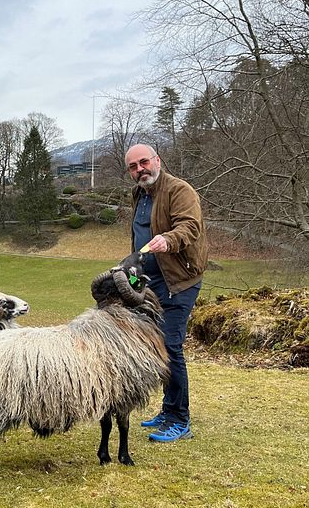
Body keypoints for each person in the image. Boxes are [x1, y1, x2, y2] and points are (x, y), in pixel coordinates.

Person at [125, 143, 208, 442]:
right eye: (133, 167)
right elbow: (138, 235)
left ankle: (179, 420)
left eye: (143, 162)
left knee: (171, 348)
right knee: (157, 347)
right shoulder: (140, 193)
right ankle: (167, 408)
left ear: (157, 160)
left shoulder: (179, 190)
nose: (140, 170)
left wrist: (169, 240)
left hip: (179, 281)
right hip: (151, 282)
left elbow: (190, 227)